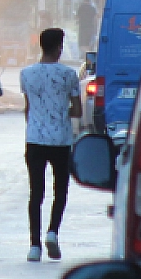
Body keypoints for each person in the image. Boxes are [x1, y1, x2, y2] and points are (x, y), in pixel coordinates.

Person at [20, 27, 82, 262]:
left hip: (35, 139)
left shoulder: (26, 74)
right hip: (61, 140)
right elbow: (76, 110)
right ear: (58, 47)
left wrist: (38, 120)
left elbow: (28, 109)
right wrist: (60, 112)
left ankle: (34, 246)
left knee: (36, 193)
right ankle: (53, 232)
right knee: (60, 190)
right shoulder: (68, 75)